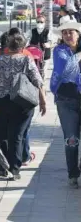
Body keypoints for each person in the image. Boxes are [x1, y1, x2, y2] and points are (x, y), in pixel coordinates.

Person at [0, 33, 46, 180]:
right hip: (22, 102)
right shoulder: (26, 60)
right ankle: (15, 169)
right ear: (22, 48)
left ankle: (2, 167)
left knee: (1, 133)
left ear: (7, 46)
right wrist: (43, 101)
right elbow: (38, 81)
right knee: (17, 135)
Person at [50, 21, 81, 189]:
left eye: (71, 32)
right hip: (66, 100)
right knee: (71, 139)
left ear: (78, 34)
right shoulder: (59, 51)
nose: (68, 35)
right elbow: (66, 69)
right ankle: (73, 173)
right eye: (65, 32)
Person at [26, 15, 52, 79]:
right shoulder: (32, 31)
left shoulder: (48, 31)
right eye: (38, 22)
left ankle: (42, 85)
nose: (39, 23)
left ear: (45, 23)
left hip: (45, 54)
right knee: (34, 72)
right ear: (36, 22)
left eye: (41, 22)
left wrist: (47, 44)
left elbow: (51, 41)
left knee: (43, 72)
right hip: (34, 54)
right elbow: (27, 39)